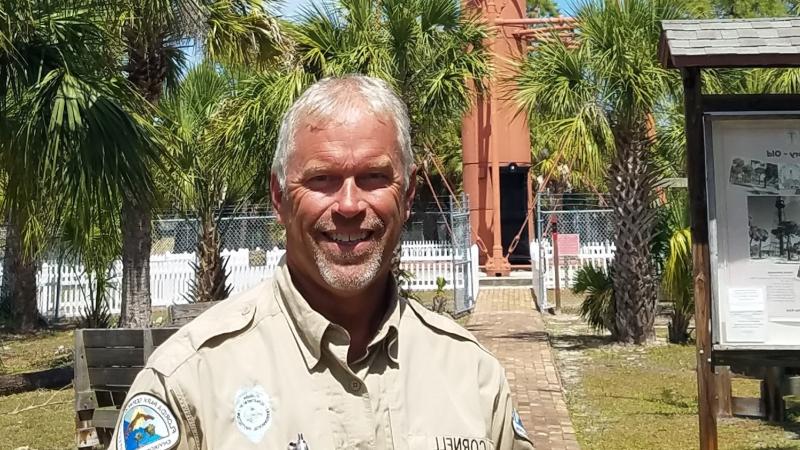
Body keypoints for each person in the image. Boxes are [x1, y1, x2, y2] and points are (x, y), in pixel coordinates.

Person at [109, 75, 534, 450]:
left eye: (374, 177)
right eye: (321, 179)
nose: (349, 205)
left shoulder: (472, 376)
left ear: (407, 197)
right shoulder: (190, 382)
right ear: (279, 198)